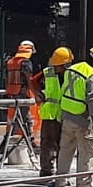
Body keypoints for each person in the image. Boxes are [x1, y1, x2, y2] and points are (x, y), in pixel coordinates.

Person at [55, 44, 93, 187]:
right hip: (82, 119)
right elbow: (92, 100)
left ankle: (60, 180)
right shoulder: (92, 75)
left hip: (66, 115)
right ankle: (83, 185)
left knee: (65, 149)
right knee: (86, 152)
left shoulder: (72, 69)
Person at [39, 47, 71, 178]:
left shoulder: (71, 74)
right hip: (51, 114)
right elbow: (35, 82)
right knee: (48, 144)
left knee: (62, 145)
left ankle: (60, 172)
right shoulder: (47, 73)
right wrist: (39, 94)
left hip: (65, 114)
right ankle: (46, 171)